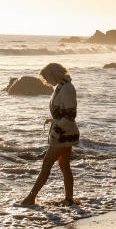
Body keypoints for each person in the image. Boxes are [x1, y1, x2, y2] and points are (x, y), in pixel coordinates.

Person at [21, 63, 79, 206]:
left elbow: (71, 114)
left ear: (54, 74)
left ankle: (31, 198)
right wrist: (54, 119)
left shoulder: (67, 88)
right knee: (64, 165)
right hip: (65, 131)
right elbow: (65, 112)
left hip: (63, 134)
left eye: (47, 77)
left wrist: (57, 130)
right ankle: (69, 199)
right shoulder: (62, 86)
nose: (46, 81)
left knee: (47, 164)